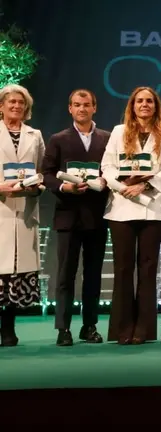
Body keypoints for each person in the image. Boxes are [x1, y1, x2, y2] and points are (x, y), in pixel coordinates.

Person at [101, 86, 161, 344]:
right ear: (132, 106)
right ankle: (122, 330)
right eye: (140, 101)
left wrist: (143, 185)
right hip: (121, 207)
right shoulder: (118, 132)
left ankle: (143, 331)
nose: (144, 105)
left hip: (154, 209)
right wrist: (123, 187)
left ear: (156, 106)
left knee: (148, 270)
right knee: (123, 269)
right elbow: (107, 166)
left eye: (149, 101)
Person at [42, 89, 111, 346]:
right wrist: (64, 187)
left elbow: (113, 169)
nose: (82, 109)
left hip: (96, 215)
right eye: (76, 105)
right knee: (65, 275)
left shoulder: (107, 138)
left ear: (95, 108)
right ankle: (63, 329)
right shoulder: (58, 139)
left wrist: (105, 180)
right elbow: (47, 174)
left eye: (86, 105)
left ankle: (89, 326)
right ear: (69, 109)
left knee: (93, 275)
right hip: (68, 216)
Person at [0, 84, 45, 347]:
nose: (16, 106)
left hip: (25, 210)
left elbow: (40, 168)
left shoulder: (34, 134)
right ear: (2, 106)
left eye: (21, 103)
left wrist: (36, 186)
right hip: (2, 207)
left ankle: (9, 327)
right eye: (11, 102)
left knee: (17, 272)